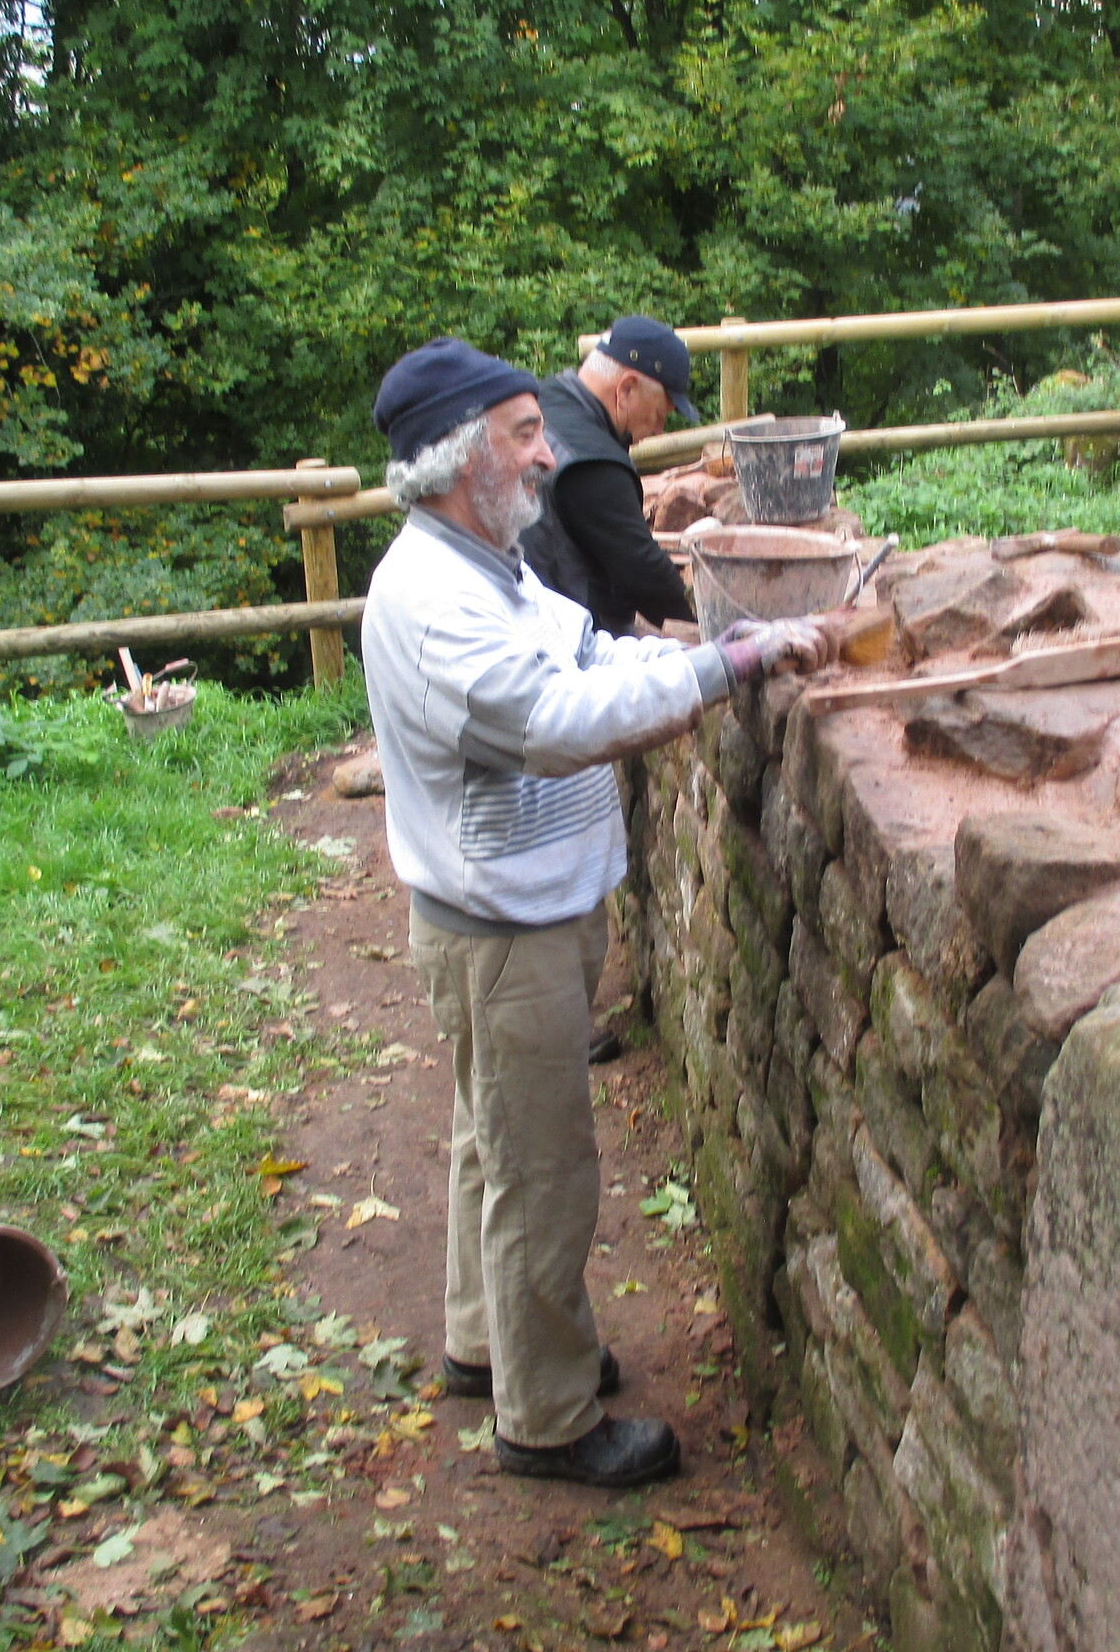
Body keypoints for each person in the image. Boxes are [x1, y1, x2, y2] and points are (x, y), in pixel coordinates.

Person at [360, 336, 834, 1489]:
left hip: (511, 917)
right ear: (460, 459)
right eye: (523, 434)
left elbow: (578, 646)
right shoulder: (436, 603)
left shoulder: (486, 564)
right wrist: (723, 669)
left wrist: (696, 643)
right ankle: (548, 1416)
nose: (546, 453)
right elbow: (555, 721)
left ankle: (488, 1344)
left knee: (491, 1143)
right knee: (544, 1174)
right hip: (503, 933)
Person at [520, 314, 701, 638]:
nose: (659, 429)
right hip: (562, 637)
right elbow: (645, 575)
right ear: (627, 388)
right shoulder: (594, 462)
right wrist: (718, 622)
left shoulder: (537, 400)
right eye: (660, 413)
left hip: (515, 603)